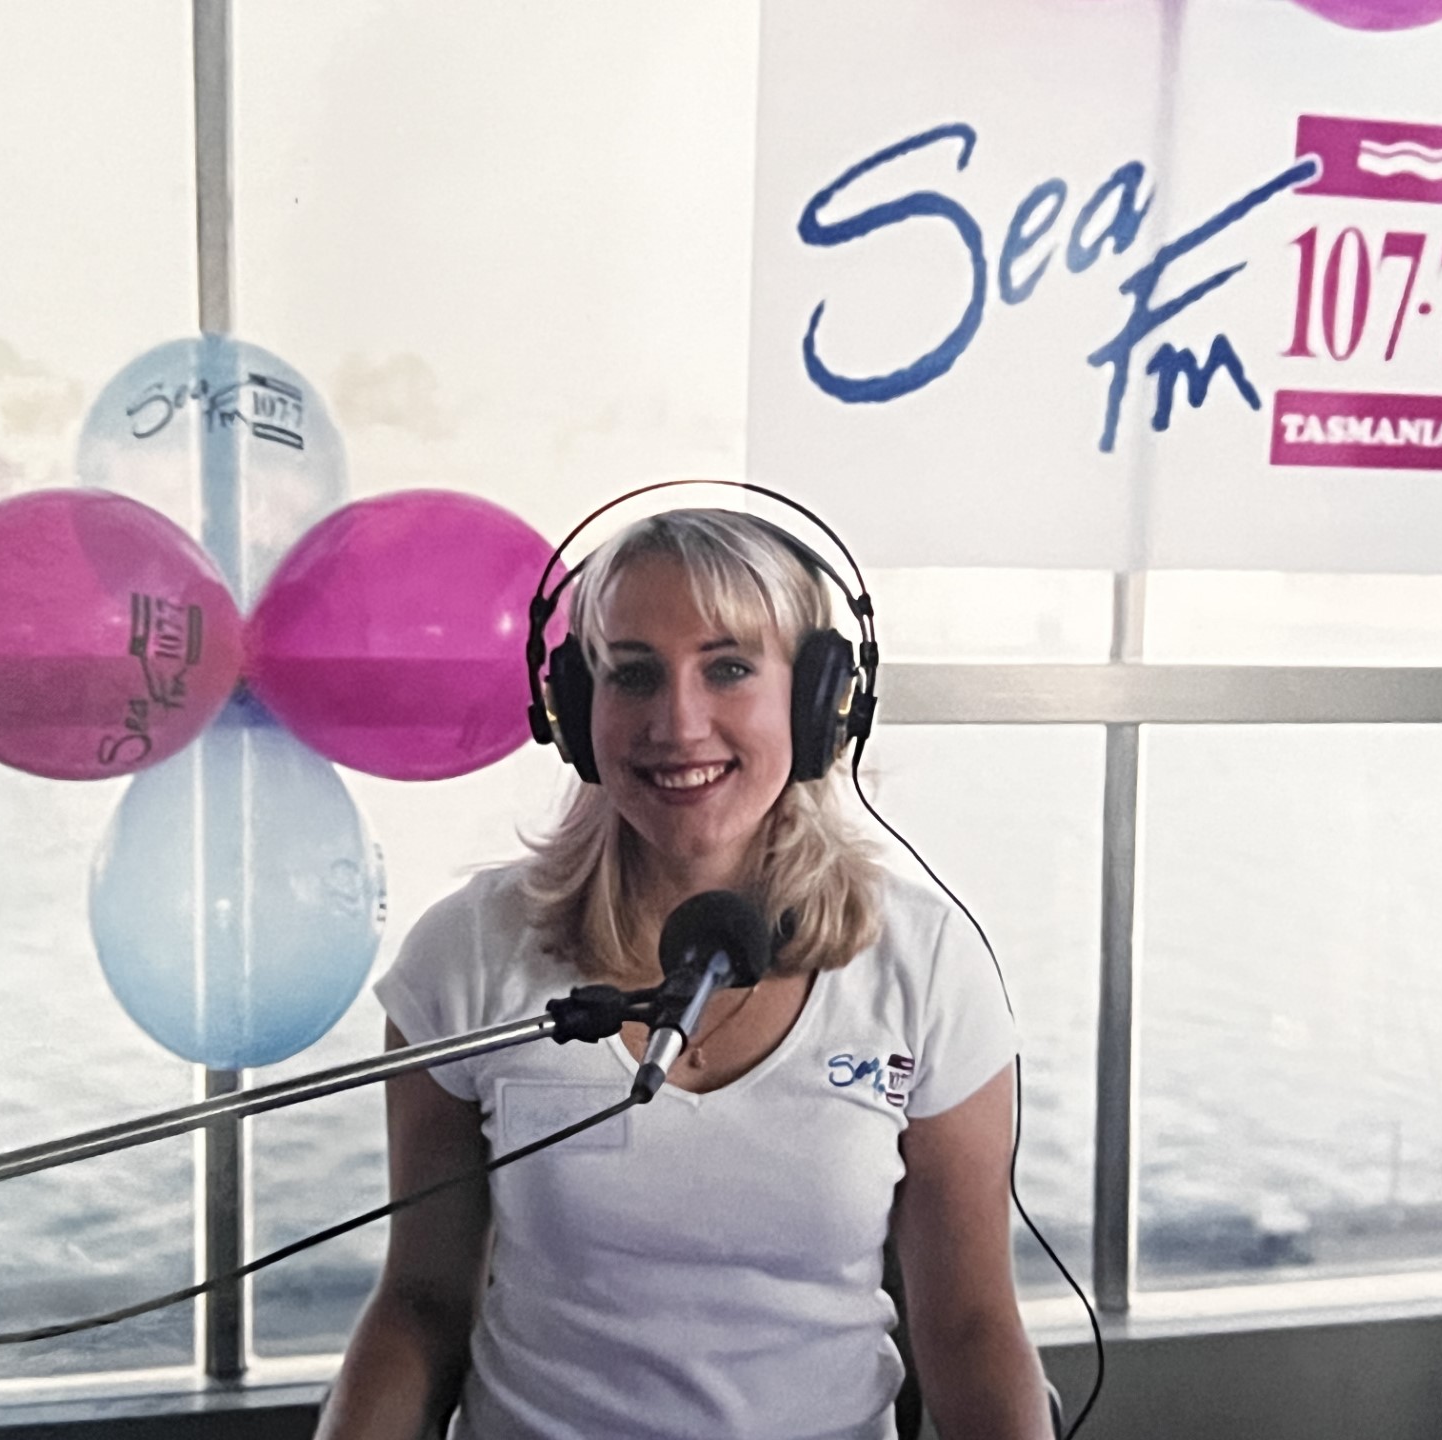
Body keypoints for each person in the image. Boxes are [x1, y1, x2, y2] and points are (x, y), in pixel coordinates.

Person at [315, 508, 1054, 1440]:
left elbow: (970, 1325)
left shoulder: (926, 966)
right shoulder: (465, 955)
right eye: (632, 674)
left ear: (818, 700)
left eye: (730, 667)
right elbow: (421, 1303)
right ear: (578, 709)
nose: (678, 722)